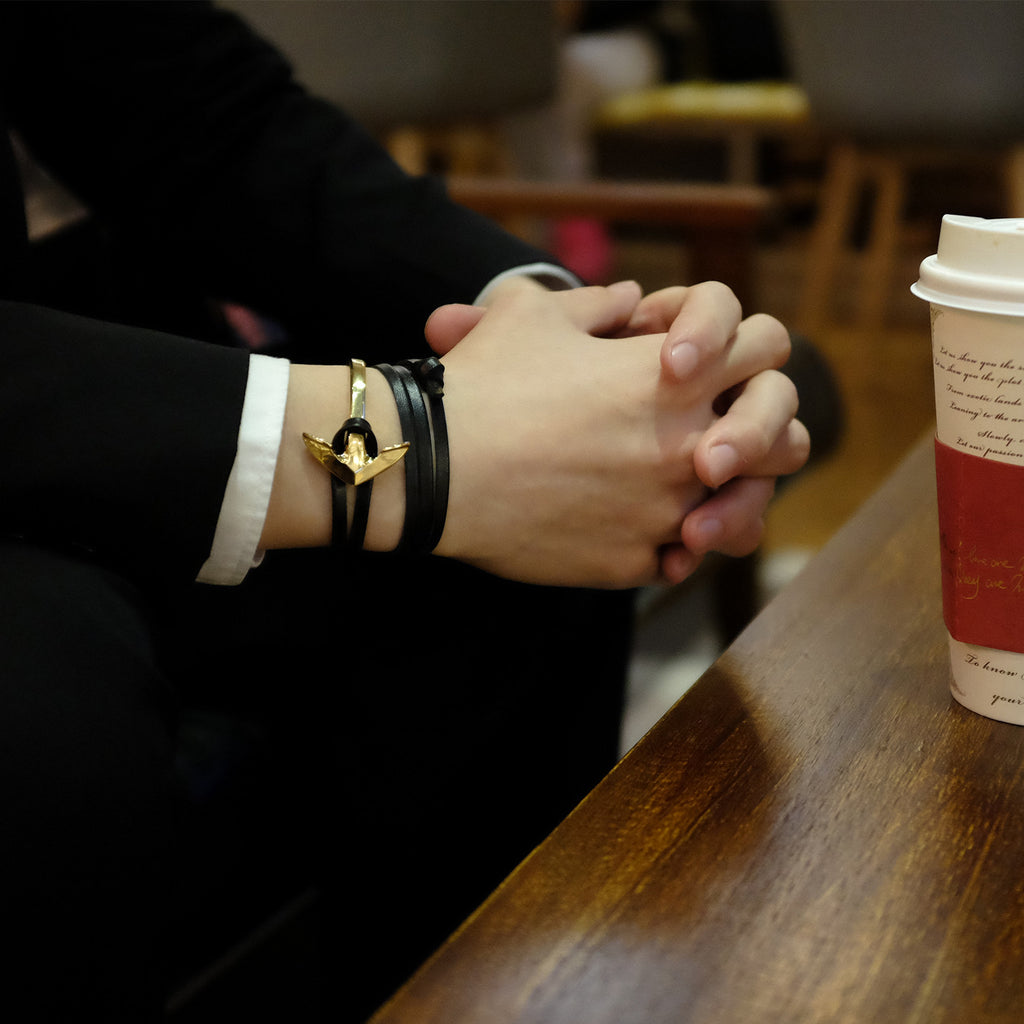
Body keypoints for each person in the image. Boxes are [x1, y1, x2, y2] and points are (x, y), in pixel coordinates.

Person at [0, 2, 808, 1019]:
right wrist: (422, 446)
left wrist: (581, 344)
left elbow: (204, 117)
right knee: (48, 704)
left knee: (534, 541)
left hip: (123, 357)